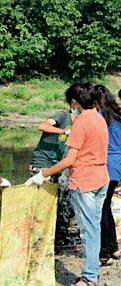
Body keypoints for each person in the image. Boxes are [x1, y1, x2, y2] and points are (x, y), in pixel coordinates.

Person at [25, 82, 109, 286]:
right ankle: (93, 268)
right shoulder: (100, 118)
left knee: (87, 231)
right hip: (101, 178)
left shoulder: (80, 123)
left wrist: (43, 174)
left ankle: (89, 276)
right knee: (95, 226)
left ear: (74, 102)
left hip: (84, 182)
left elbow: (70, 160)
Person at [29, 83, 79, 249]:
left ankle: (57, 236)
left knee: (61, 201)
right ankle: (37, 237)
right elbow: (42, 126)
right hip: (42, 162)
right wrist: (63, 131)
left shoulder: (80, 124)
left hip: (57, 165)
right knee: (41, 201)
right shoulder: (63, 116)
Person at [95, 85, 121, 266]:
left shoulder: (99, 118)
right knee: (106, 207)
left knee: (101, 208)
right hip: (117, 166)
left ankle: (104, 253)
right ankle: (113, 247)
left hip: (102, 166)